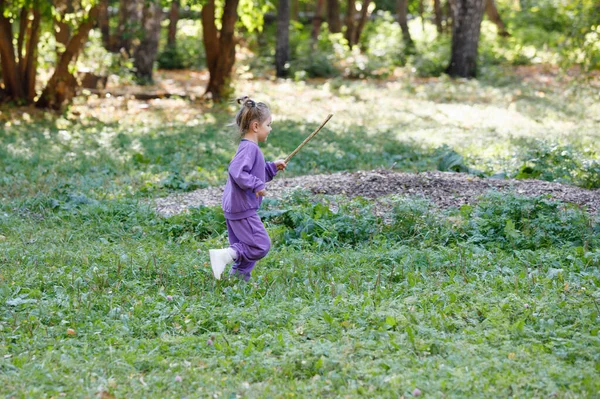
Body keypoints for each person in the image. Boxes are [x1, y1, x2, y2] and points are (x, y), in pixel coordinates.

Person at [209, 96, 287, 281]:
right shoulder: (250, 149)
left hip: (236, 206)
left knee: (245, 247)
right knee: (259, 245)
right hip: (242, 207)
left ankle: (238, 282)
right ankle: (224, 255)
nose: (270, 129)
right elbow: (237, 171)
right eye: (268, 125)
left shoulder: (249, 148)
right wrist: (257, 185)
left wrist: (271, 167)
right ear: (255, 126)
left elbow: (253, 172)